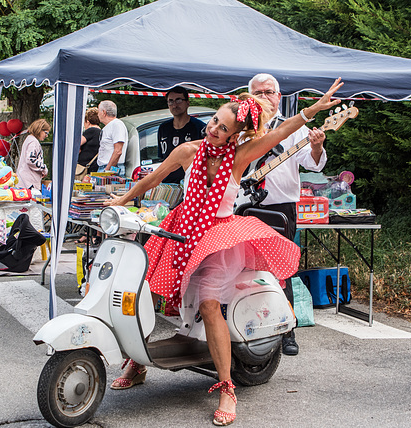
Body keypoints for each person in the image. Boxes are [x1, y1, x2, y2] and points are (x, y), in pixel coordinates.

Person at [106, 79, 343, 426]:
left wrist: (312, 110)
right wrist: (122, 200)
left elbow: (281, 134)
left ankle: (227, 387)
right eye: (214, 121)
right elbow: (153, 178)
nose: (214, 129)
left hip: (217, 238)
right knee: (149, 292)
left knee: (209, 305)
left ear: (235, 135)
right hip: (183, 230)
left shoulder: (240, 157)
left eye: (222, 127)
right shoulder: (189, 151)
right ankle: (139, 361)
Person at [245, 73, 328, 356]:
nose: (264, 96)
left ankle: (287, 330)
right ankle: (247, 324)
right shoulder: (242, 125)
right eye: (258, 92)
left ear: (279, 96)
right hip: (245, 205)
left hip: (281, 207)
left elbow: (313, 165)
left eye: (269, 92)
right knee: (244, 266)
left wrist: (316, 146)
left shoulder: (293, 127)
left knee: (282, 269)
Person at [157, 86, 206, 183]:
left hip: (192, 184)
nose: (174, 105)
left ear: (187, 103)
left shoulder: (200, 128)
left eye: (178, 100)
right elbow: (163, 159)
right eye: (171, 101)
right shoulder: (163, 128)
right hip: (169, 186)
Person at [97, 100, 128, 176]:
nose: (97, 115)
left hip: (111, 167)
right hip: (107, 167)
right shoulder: (111, 126)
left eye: (98, 111)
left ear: (104, 112)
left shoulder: (117, 125)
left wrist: (107, 170)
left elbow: (118, 151)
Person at [17, 119, 49, 191]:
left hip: (26, 181)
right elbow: (30, 159)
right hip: (28, 183)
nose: (46, 136)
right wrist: (43, 168)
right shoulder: (33, 142)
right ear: (39, 129)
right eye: (46, 133)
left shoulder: (29, 139)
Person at [78, 107, 102, 175]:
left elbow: (77, 144)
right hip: (95, 165)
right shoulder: (101, 132)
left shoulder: (90, 131)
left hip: (85, 166)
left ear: (87, 121)